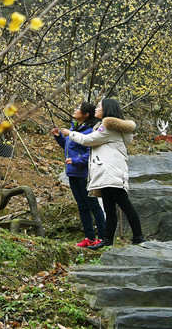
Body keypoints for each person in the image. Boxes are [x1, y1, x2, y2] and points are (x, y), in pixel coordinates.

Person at [63, 98, 144, 249]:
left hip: (110, 172)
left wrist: (70, 133)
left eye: (99, 106)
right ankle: (107, 240)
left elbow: (88, 140)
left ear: (106, 109)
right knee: (109, 208)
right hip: (106, 173)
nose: (96, 108)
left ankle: (138, 236)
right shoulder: (107, 127)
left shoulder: (108, 128)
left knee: (125, 205)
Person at [51, 102, 105, 247]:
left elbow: (91, 153)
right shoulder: (74, 129)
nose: (75, 110)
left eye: (78, 109)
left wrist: (76, 161)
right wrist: (59, 137)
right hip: (73, 173)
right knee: (81, 206)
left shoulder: (90, 132)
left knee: (92, 205)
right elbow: (69, 147)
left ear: (86, 114)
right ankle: (89, 238)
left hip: (85, 173)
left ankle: (102, 238)